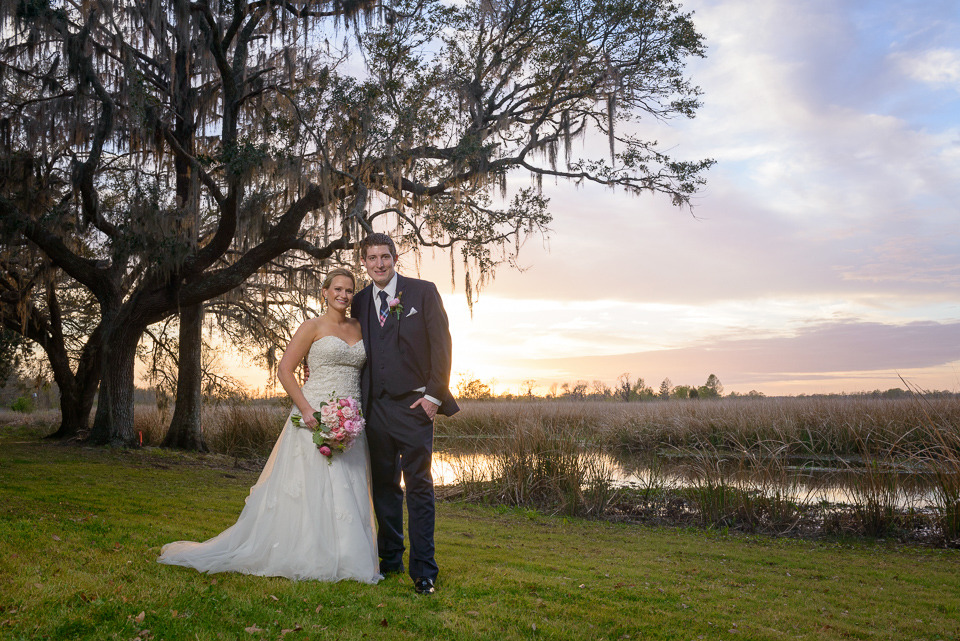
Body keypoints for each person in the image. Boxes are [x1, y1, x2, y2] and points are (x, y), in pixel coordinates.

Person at [157, 268, 381, 584]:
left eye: (349, 291)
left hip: (350, 417)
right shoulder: (311, 327)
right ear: (325, 292)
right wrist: (307, 410)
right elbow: (285, 370)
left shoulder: (360, 327)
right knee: (309, 485)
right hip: (313, 414)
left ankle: (348, 558)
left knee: (348, 484)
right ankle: (305, 553)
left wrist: (351, 416)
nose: (343, 296)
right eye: (337, 289)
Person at [352, 233, 459, 595]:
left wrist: (433, 396)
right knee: (384, 488)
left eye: (384, 256)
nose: (379, 263)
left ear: (394, 258)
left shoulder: (422, 292)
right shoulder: (360, 301)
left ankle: (425, 570)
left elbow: (442, 346)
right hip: (374, 408)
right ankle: (391, 559)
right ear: (363, 263)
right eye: (371, 258)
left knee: (419, 489)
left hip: (415, 407)